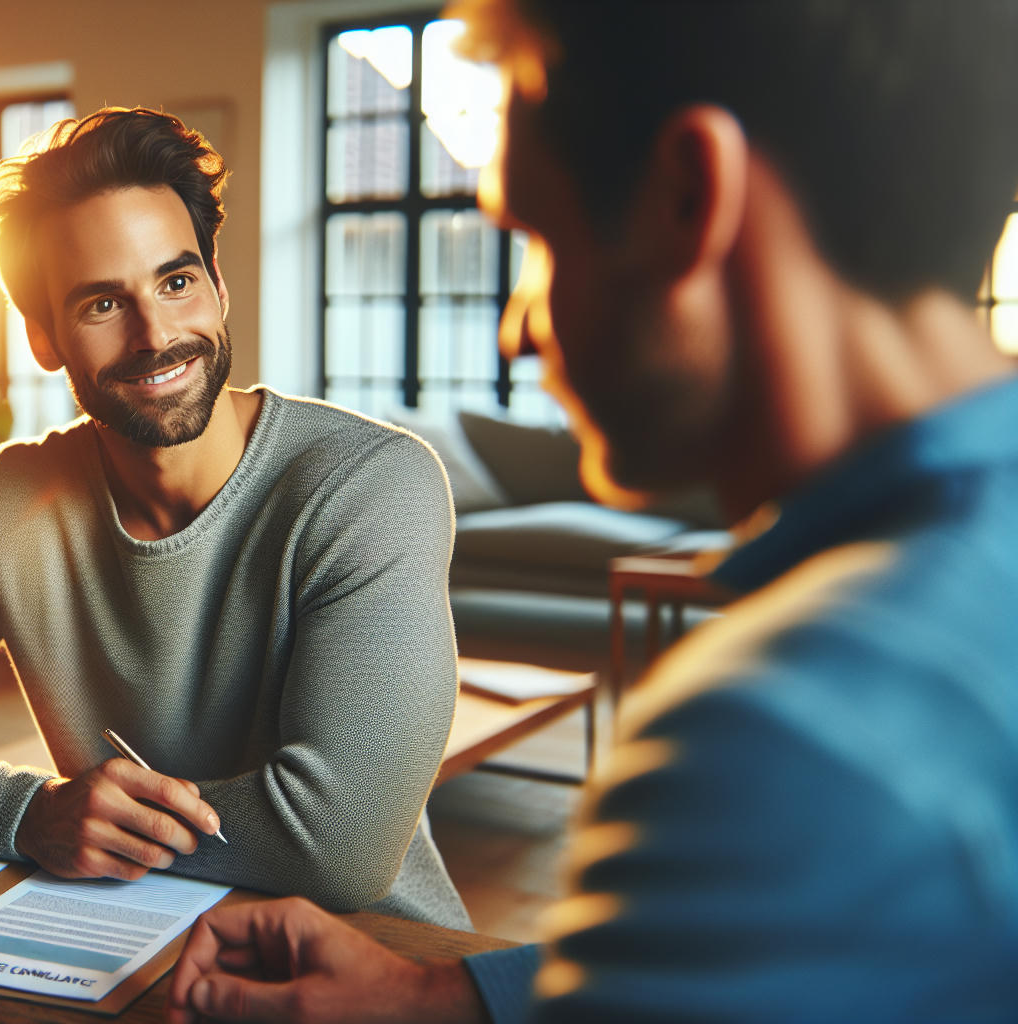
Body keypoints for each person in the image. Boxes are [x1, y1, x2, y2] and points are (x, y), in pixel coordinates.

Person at [168, 1, 1018, 1021]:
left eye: (537, 238)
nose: (518, 331)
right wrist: (441, 995)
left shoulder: (790, 742)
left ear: (687, 200)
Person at [0, 108, 468, 926]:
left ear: (217, 286)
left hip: (377, 964)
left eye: (176, 282)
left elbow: (338, 845)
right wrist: (24, 814)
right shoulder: (7, 507)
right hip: (125, 943)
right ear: (44, 337)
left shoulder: (369, 485)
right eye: (103, 304)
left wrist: (111, 827)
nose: (156, 335)